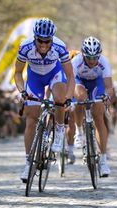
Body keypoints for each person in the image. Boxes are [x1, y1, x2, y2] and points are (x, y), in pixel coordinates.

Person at [14, 18, 75, 183]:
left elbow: (70, 76)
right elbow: (18, 73)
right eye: (40, 40)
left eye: (47, 41)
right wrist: (22, 91)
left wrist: (69, 97)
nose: (43, 44)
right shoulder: (25, 47)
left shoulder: (60, 47)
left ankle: (60, 128)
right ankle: (28, 163)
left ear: (52, 39)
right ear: (35, 37)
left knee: (59, 98)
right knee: (31, 120)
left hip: (54, 75)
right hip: (34, 78)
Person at [72, 36, 114, 177]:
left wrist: (107, 97)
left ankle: (103, 161)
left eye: (95, 57)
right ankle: (79, 131)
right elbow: (70, 84)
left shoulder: (104, 62)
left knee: (99, 118)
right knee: (80, 98)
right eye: (89, 58)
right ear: (83, 54)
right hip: (80, 82)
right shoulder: (76, 61)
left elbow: (109, 87)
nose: (92, 61)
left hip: (97, 82)